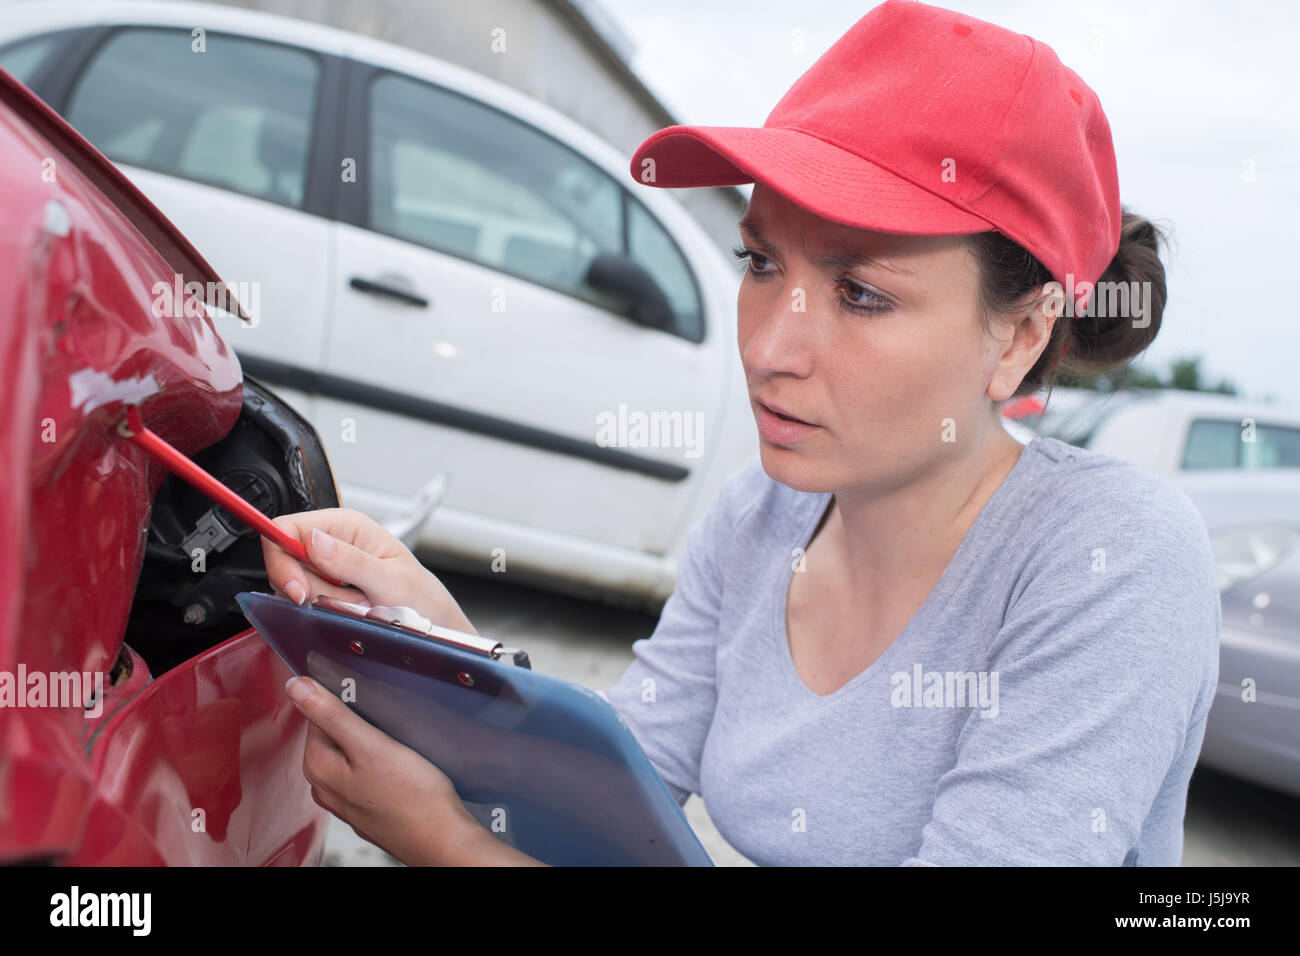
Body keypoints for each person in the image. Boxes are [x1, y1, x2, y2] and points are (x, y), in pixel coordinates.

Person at [264, 0, 1220, 866]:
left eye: (860, 294)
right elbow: (608, 799)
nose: (768, 347)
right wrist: (430, 640)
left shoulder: (1111, 559)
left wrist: (450, 848)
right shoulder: (760, 521)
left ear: (1020, 336)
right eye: (759, 261)